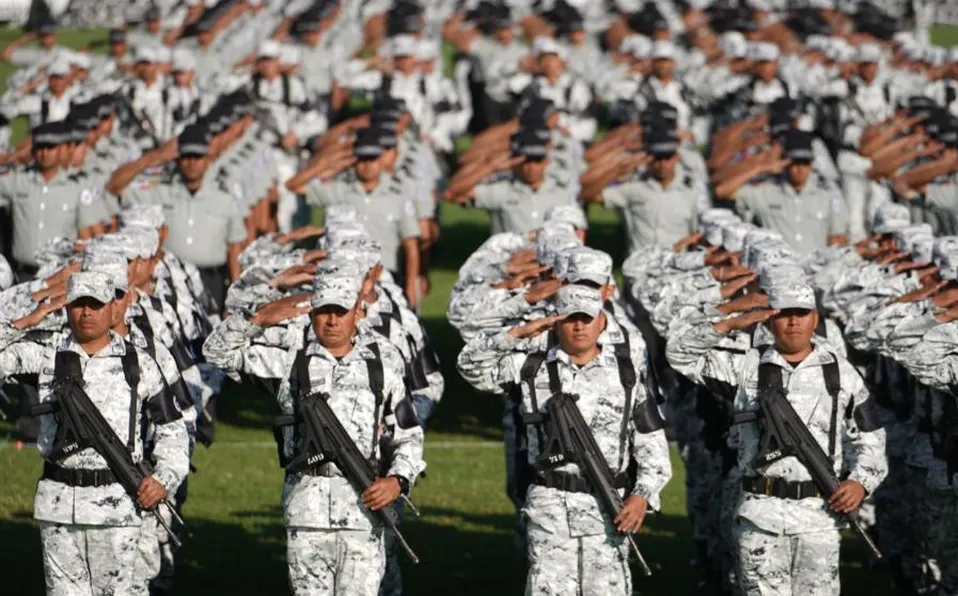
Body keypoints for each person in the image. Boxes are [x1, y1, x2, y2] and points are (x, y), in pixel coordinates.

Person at [203, 261, 425, 596]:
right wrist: (256, 319)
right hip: (307, 513)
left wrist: (398, 481)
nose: (332, 320)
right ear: (310, 314)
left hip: (364, 512)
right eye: (324, 311)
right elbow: (216, 353)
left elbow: (408, 434)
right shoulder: (291, 364)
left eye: (341, 311)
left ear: (357, 312)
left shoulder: (384, 364)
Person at [666, 279, 888, 595]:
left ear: (815, 318)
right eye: (784, 313)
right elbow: (678, 353)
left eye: (802, 313)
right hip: (760, 517)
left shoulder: (841, 373)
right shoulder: (744, 365)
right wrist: (730, 321)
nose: (794, 321)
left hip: (819, 518)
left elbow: (871, 438)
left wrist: (861, 481)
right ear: (769, 319)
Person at [457, 284, 672, 594]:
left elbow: (652, 446)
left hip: (608, 509)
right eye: (570, 318)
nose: (579, 326)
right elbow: (469, 365)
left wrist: (642, 496)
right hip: (550, 511)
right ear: (556, 321)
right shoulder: (531, 368)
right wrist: (518, 333)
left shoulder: (627, 375)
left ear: (602, 320)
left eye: (587, 317)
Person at [0, 270, 189, 596]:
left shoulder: (138, 363)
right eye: (78, 304)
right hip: (60, 506)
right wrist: (29, 319)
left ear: (112, 308)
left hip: (117, 505)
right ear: (66, 306)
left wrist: (164, 479)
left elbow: (172, 428)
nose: (86, 312)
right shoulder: (46, 353)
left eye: (95, 304)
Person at [105, 124, 248, 312]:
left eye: (197, 157)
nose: (191, 163)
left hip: (212, 282)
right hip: (170, 281)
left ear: (208, 159)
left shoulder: (225, 197)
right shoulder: (160, 192)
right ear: (177, 159)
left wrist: (233, 302)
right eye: (186, 157)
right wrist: (153, 157)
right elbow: (114, 187)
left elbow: (235, 250)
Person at [291, 127, 422, 307]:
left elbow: (411, 246)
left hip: (386, 279)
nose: (367, 166)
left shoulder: (398, 195)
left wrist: (410, 289)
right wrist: (325, 165)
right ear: (353, 162)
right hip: (344, 279)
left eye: (372, 159)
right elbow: (294, 185)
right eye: (361, 160)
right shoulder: (340, 191)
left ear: (381, 160)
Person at [0, 121, 111, 280]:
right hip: (21, 274)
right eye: (40, 147)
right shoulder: (18, 181)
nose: (44, 153)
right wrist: (14, 157)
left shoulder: (76, 186)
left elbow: (87, 236)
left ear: (62, 149)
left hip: (60, 276)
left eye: (50, 147)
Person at [716, 129, 849, 252]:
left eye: (805, 162)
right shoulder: (767, 191)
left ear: (812, 164)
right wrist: (761, 168)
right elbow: (722, 191)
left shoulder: (828, 194)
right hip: (777, 271)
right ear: (784, 163)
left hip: (816, 272)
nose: (799, 169)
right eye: (794, 162)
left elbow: (837, 238)